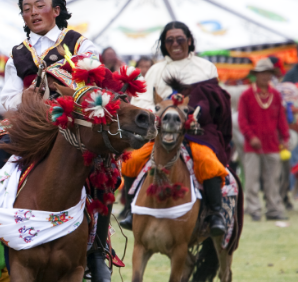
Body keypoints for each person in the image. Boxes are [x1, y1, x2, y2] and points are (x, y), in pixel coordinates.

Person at [0, 0, 110, 282]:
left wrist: (64, 94)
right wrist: (29, 99)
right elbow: (8, 98)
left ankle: (97, 251)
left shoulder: (81, 44)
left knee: (103, 170)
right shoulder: (17, 54)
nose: (33, 13)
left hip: (73, 121)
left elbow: (94, 84)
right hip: (31, 123)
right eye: (26, 9)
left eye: (39, 6)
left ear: (57, 10)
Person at [121, 22, 233, 235]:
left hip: (195, 132)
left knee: (208, 162)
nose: (175, 44)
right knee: (132, 161)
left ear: (189, 40)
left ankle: (215, 214)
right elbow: (142, 100)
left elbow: (215, 100)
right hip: (161, 132)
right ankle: (130, 209)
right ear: (164, 44)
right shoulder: (156, 70)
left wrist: (195, 112)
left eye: (180, 39)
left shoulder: (205, 67)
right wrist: (157, 112)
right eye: (169, 40)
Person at [238, 58, 289, 221]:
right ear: (256, 75)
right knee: (252, 179)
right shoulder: (246, 95)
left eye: (268, 73)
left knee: (273, 179)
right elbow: (242, 120)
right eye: (262, 73)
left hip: (273, 144)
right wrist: (250, 136)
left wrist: (285, 137)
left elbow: (281, 118)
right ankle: (253, 209)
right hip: (253, 145)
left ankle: (273, 209)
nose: (265, 76)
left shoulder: (275, 94)